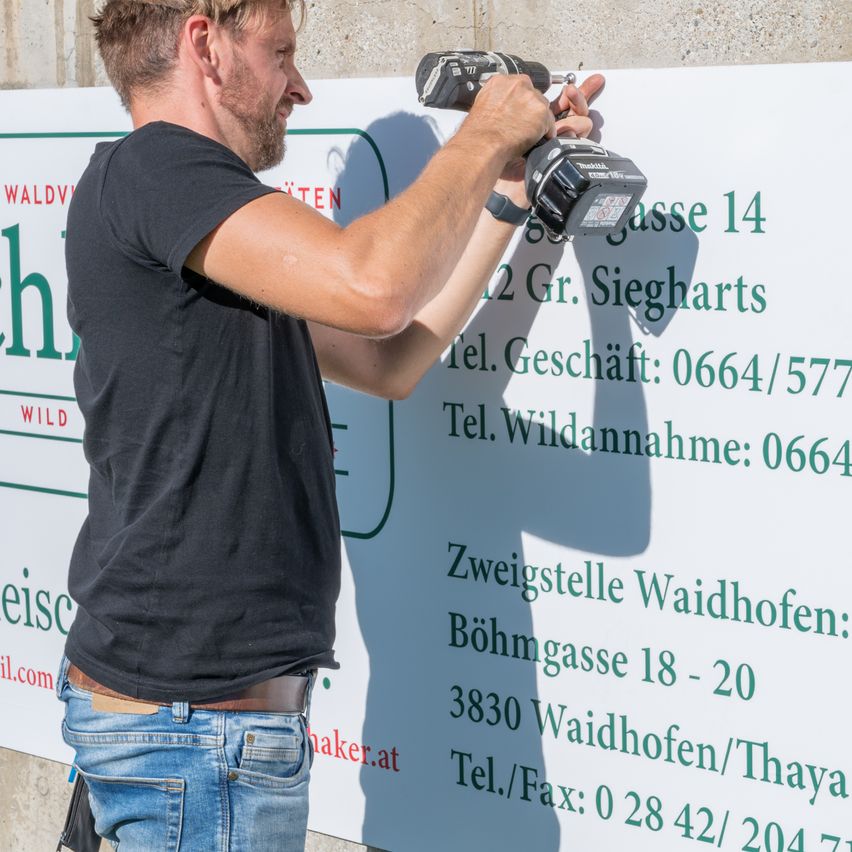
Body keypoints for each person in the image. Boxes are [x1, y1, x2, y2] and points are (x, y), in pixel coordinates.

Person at [55, 0, 604, 848]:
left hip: (195, 734)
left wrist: (503, 198)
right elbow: (375, 285)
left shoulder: (206, 226)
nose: (299, 88)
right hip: (198, 741)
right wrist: (486, 128)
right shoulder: (160, 172)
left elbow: (390, 359)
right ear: (206, 44)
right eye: (280, 54)